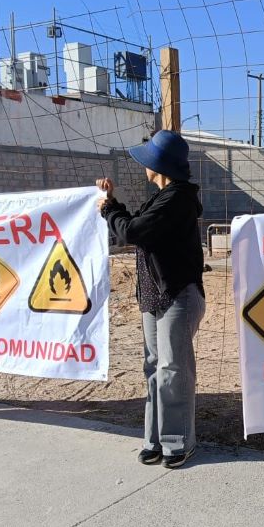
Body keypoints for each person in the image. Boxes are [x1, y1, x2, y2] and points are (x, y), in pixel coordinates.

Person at [97, 130, 206, 469]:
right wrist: (113, 204)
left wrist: (109, 210)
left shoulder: (178, 198)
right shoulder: (163, 197)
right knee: (155, 367)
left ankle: (178, 442)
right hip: (154, 295)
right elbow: (137, 225)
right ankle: (155, 439)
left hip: (177, 294)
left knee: (173, 369)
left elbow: (133, 232)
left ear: (158, 165)